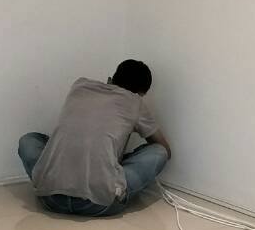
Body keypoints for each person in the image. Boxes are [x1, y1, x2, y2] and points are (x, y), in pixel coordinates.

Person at [17, 60, 171, 217]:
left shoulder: (80, 86)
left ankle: (53, 178)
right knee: (159, 152)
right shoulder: (135, 102)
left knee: (28, 140)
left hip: (50, 198)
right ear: (140, 94)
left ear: (110, 80)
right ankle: (106, 179)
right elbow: (164, 148)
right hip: (98, 205)